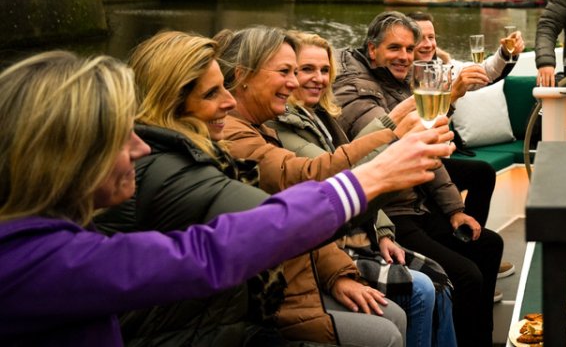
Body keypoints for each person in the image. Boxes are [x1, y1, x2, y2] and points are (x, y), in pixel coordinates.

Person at [0, 50, 453, 346]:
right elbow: (217, 248)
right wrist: (372, 176)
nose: (139, 147)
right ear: (69, 156)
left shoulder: (45, 241)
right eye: (121, 136)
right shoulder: (38, 266)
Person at [214, 26, 425, 345]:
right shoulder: (246, 133)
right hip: (278, 294)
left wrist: (339, 274)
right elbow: (312, 179)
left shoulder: (299, 120)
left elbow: (303, 215)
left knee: (402, 307)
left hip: (309, 268)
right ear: (243, 75)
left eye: (323, 70)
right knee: (406, 307)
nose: (297, 81)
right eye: (289, 71)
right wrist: (393, 136)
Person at [271, 31, 457, 347]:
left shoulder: (322, 117)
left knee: (438, 276)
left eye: (324, 70)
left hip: (361, 229)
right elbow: (345, 176)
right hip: (337, 243)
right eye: (306, 70)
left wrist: (383, 232)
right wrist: (396, 131)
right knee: (424, 288)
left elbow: (357, 173)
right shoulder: (284, 127)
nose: (318, 78)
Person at [335, 12, 505, 347]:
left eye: (409, 49)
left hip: (414, 200)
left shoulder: (393, 80)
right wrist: (449, 97)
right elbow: (398, 144)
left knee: (489, 245)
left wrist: (455, 210)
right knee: (466, 275)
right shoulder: (356, 89)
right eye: (394, 48)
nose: (404, 56)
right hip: (388, 214)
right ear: (372, 50)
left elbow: (426, 151)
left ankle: (480, 337)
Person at [407, 13, 518, 278]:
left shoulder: (442, 66)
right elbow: (421, 127)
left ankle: (472, 245)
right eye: (420, 38)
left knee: (482, 173)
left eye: (432, 37)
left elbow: (485, 72)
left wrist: (505, 53)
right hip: (412, 162)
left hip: (435, 158)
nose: (428, 43)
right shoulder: (401, 74)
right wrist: (454, 94)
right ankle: (466, 256)